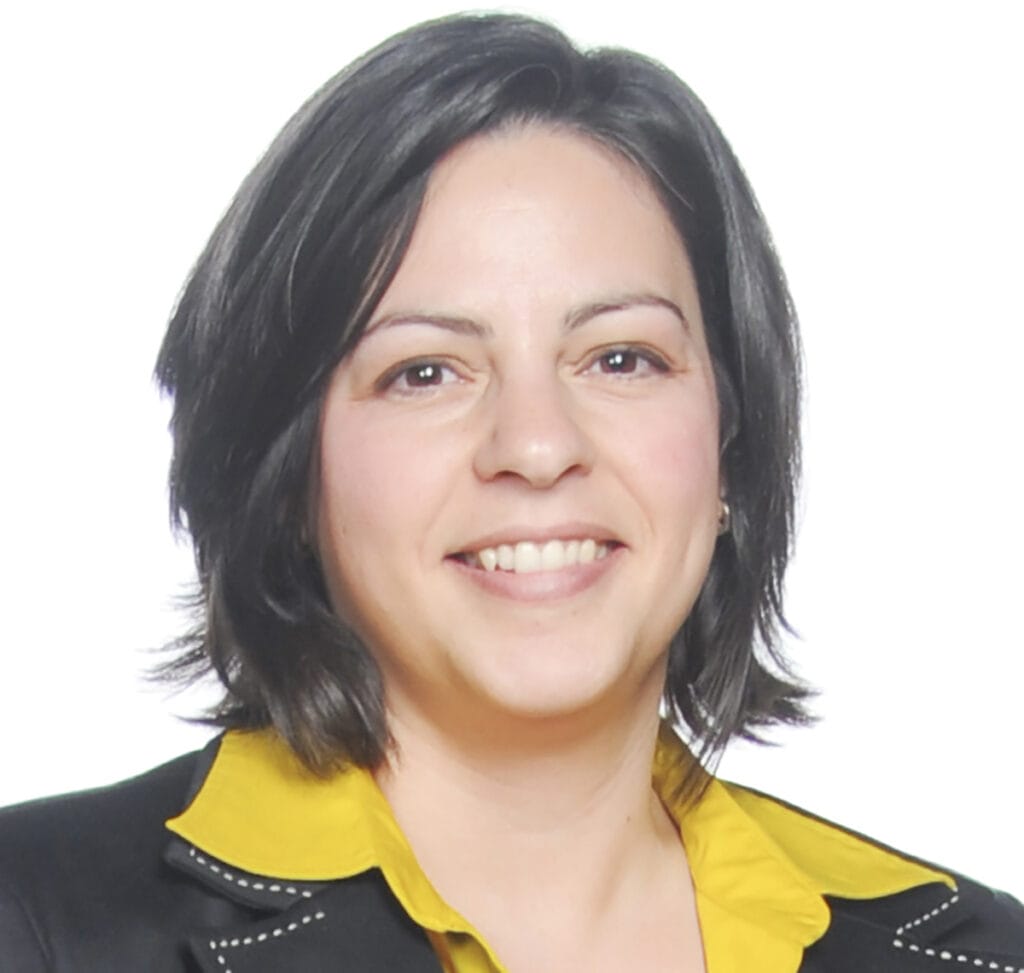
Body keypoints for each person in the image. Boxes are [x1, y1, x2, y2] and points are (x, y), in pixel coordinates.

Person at [0, 12, 1021, 973]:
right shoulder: (38, 924)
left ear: (729, 444)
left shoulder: (982, 950)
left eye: (620, 358)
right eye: (425, 372)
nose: (536, 446)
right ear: (286, 471)